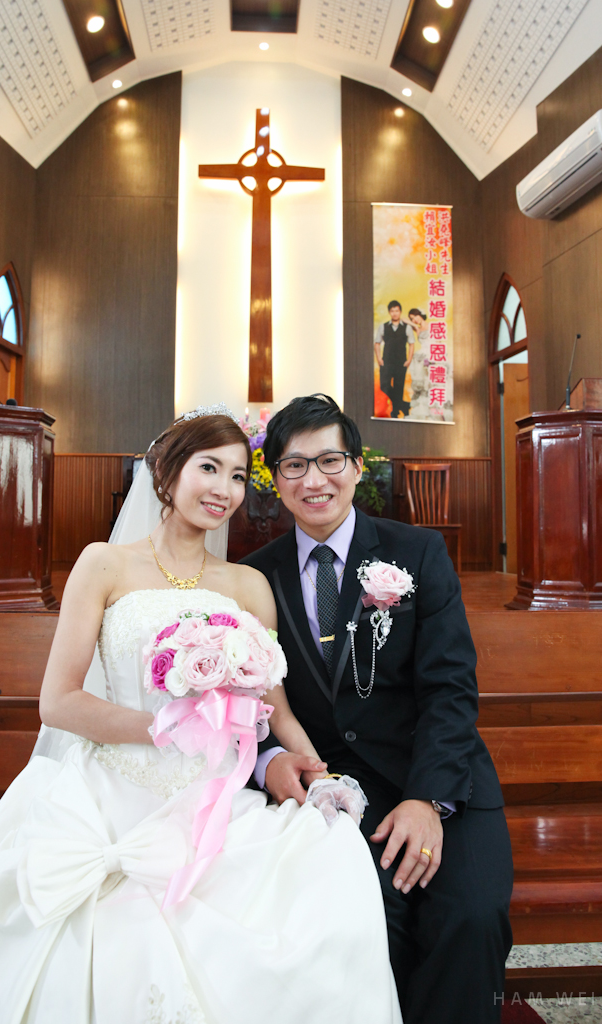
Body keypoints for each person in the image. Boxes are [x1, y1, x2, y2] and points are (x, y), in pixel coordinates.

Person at [0, 407, 401, 1024]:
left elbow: (274, 707)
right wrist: (162, 729)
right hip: (109, 788)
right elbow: (58, 702)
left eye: (238, 476)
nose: (224, 489)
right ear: (167, 472)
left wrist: (318, 772)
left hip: (210, 796)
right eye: (210, 468)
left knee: (323, 867)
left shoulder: (247, 586)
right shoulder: (104, 564)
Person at [242, 394, 513, 1024]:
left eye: (329, 460)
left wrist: (428, 801)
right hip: (335, 793)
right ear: (274, 479)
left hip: (440, 778)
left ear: (358, 466)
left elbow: (450, 687)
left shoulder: (417, 553)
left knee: (470, 917)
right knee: (364, 920)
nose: (314, 479)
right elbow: (249, 703)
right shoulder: (254, 577)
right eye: (294, 465)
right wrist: (272, 760)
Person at [374, 300, 414, 417]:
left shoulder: (406, 327)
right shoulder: (383, 326)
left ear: (400, 312)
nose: (395, 313)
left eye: (397, 311)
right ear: (389, 312)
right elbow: (377, 343)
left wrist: (409, 360)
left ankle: (395, 411)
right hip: (386, 361)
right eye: (392, 311)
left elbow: (411, 344)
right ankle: (403, 405)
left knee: (399, 387)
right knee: (384, 385)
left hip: (401, 362)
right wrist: (379, 358)